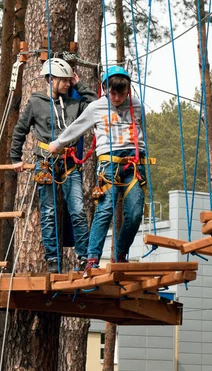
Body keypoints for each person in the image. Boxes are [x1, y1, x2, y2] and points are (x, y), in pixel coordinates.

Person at [48, 66, 151, 275]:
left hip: (133, 164)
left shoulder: (137, 106)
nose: (117, 97)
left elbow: (142, 131)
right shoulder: (97, 107)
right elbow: (77, 126)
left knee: (134, 213)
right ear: (105, 89)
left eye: (122, 93)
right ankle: (92, 257)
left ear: (128, 91)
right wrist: (58, 144)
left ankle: (120, 254)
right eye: (112, 93)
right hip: (109, 165)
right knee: (105, 210)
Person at [10, 58, 97, 273]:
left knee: (77, 211)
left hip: (69, 163)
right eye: (64, 80)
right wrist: (15, 158)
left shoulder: (74, 103)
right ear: (51, 79)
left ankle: (84, 257)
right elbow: (20, 130)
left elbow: (96, 105)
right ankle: (53, 261)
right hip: (45, 163)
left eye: (69, 80)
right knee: (48, 212)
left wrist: (79, 84)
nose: (68, 84)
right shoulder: (36, 103)